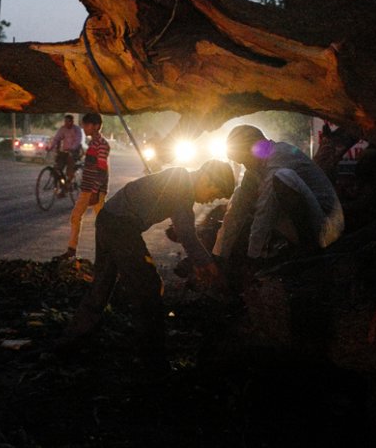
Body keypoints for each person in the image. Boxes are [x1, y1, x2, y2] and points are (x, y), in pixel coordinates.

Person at [59, 160, 235, 367]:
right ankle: (153, 360)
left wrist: (200, 260)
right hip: (120, 225)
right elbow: (187, 235)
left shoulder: (179, 180)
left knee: (102, 285)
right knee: (149, 286)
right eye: (213, 195)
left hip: (109, 218)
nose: (208, 201)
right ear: (207, 178)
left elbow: (179, 223)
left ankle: (70, 343)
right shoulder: (182, 187)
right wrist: (210, 266)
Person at [213, 124, 344, 264]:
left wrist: (252, 257)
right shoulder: (256, 168)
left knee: (282, 177)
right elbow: (235, 213)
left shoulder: (280, 157)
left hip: (327, 229)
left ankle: (308, 251)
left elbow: (265, 211)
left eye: (244, 159)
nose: (245, 165)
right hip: (307, 224)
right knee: (240, 194)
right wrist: (218, 256)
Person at [59, 112, 110, 260]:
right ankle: (71, 249)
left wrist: (95, 191)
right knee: (75, 217)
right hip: (87, 188)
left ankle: (107, 253)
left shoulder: (102, 145)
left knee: (102, 222)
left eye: (86, 125)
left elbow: (101, 170)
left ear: (96, 126)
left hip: (96, 190)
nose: (84, 127)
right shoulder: (92, 144)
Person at [47, 114, 83, 196]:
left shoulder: (76, 130)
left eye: (68, 121)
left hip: (74, 151)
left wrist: (72, 148)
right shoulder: (63, 129)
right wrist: (51, 147)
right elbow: (56, 138)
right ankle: (62, 185)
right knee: (57, 168)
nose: (67, 123)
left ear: (72, 122)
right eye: (65, 121)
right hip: (64, 151)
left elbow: (78, 141)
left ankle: (68, 183)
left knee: (70, 169)